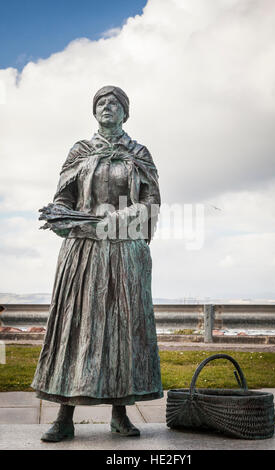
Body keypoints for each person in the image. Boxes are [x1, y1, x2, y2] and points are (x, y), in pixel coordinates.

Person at [31, 85, 163, 441]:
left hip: (125, 253)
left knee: (123, 330)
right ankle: (63, 416)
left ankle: (121, 414)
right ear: (94, 113)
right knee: (78, 329)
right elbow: (62, 200)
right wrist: (69, 221)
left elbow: (151, 205)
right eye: (101, 103)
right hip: (84, 253)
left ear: (125, 113)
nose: (107, 107)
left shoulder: (139, 154)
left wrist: (120, 220)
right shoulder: (80, 152)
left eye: (114, 103)